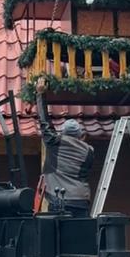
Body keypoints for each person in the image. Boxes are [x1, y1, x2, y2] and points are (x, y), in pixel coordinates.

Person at [36, 77, 95, 217]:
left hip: (59, 200)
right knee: (80, 237)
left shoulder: (55, 142)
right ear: (80, 135)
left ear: (63, 132)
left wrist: (40, 94)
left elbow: (44, 121)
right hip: (81, 200)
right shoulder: (89, 151)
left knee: (58, 238)